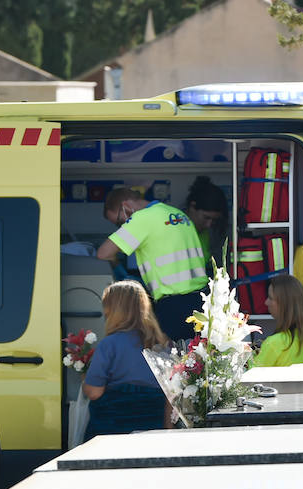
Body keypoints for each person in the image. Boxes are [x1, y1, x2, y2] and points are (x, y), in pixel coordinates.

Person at [96, 186, 207, 342]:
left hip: (174, 305)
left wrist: (119, 270)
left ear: (126, 207)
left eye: (120, 222)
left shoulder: (142, 218)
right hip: (201, 300)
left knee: (169, 362)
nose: (122, 227)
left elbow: (103, 253)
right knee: (195, 361)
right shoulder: (176, 214)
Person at [82, 281, 169, 440]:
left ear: (113, 311)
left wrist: (85, 382)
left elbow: (94, 392)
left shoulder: (109, 344)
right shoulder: (162, 345)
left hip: (112, 429)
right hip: (152, 428)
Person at [253, 274, 303, 367]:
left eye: (270, 298)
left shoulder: (274, 343)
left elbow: (249, 376)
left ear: (284, 304)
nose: (266, 302)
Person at [184, 176, 228, 267]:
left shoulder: (209, 234)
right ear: (192, 207)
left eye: (214, 220)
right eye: (206, 218)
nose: (209, 225)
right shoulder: (174, 231)